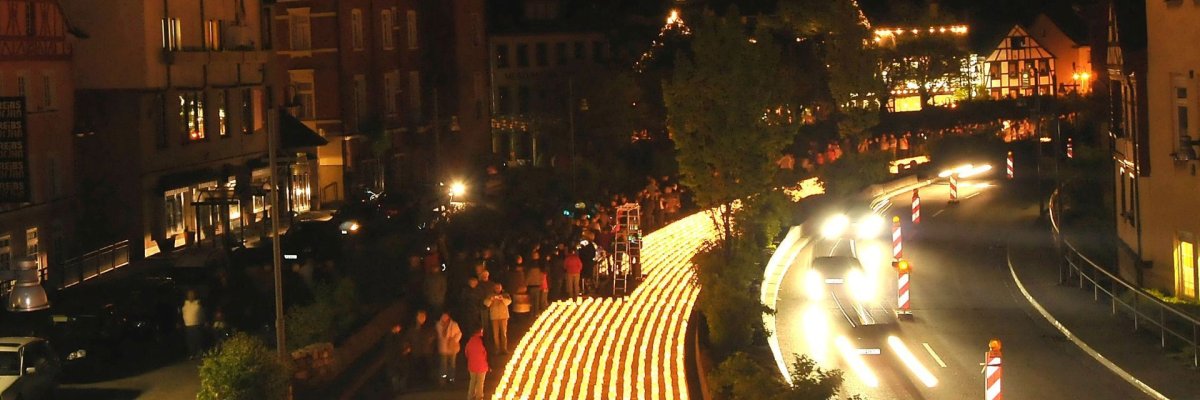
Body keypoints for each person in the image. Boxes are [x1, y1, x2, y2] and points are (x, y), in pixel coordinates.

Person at [404, 310, 437, 388]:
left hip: (427, 351)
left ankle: (428, 384)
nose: (421, 318)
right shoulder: (413, 328)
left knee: (427, 369)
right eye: (420, 316)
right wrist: (407, 346)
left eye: (423, 316)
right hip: (416, 351)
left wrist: (431, 340)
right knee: (417, 369)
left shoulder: (428, 326)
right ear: (417, 317)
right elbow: (407, 338)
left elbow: (434, 335)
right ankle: (418, 384)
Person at [482, 283, 512, 353]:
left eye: (499, 288)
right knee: (495, 334)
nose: (498, 289)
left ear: (501, 288)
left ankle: (504, 349)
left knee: (504, 333)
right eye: (496, 288)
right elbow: (486, 303)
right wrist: (491, 300)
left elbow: (509, 302)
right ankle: (497, 349)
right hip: (494, 317)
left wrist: (502, 299)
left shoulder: (505, 295)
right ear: (494, 288)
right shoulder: (490, 295)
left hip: (503, 316)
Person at [435, 312, 463, 385]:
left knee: (452, 364)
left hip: (452, 347)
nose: (444, 317)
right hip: (443, 347)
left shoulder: (454, 324)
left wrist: (454, 340)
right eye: (443, 316)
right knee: (443, 364)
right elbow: (437, 335)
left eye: (446, 316)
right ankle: (443, 380)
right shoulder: (438, 324)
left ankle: (451, 379)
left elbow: (459, 333)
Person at [180, 289, 205, 360]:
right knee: (190, 341)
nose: (191, 296)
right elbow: (182, 314)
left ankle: (199, 353)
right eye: (189, 294)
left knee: (198, 339)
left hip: (197, 324)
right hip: (188, 325)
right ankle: (192, 353)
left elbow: (203, 313)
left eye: (192, 294)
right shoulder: (185, 304)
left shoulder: (199, 303)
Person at [465, 328, 488, 400]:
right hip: (482, 365)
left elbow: (466, 353)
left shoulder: (470, 341)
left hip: (472, 365)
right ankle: (479, 397)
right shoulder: (482, 342)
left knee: (472, 381)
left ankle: (470, 396)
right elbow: (486, 353)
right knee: (480, 382)